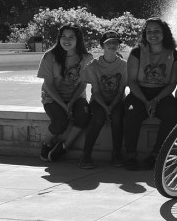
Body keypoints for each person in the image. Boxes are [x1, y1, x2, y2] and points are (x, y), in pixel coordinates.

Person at [124, 18, 177, 171]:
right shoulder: (137, 52)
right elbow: (132, 81)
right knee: (131, 113)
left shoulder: (174, 54)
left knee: (171, 113)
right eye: (149, 31)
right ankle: (130, 155)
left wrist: (156, 100)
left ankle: (156, 155)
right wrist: (145, 101)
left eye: (156, 31)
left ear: (165, 33)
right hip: (139, 92)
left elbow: (171, 84)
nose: (152, 34)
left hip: (162, 94)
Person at [37, 23, 93, 162]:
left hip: (76, 97)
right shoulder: (49, 56)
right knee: (60, 122)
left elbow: (83, 84)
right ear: (59, 38)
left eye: (71, 37)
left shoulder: (86, 58)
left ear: (78, 39)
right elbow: (48, 84)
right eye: (63, 37)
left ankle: (64, 146)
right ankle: (47, 142)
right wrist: (63, 105)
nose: (66, 40)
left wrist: (72, 102)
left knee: (84, 117)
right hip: (52, 97)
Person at [79, 31, 127, 169]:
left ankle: (116, 154)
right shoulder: (94, 65)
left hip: (117, 100)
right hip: (98, 101)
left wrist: (112, 106)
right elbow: (95, 91)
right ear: (102, 46)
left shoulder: (124, 65)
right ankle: (86, 155)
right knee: (99, 117)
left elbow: (121, 90)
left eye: (115, 42)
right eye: (108, 43)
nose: (112, 45)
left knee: (117, 116)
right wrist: (106, 108)